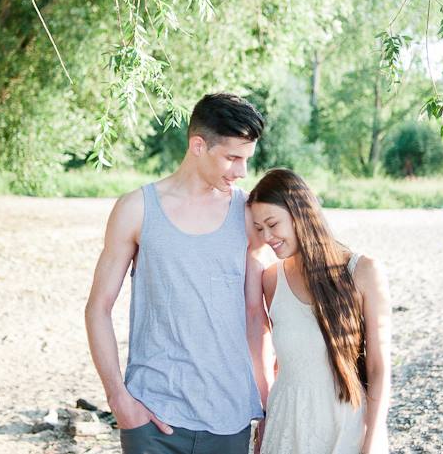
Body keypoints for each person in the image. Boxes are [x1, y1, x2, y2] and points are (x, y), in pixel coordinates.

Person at [85, 93, 270, 454]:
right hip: (152, 417)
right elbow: (98, 308)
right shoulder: (136, 209)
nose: (242, 171)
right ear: (198, 145)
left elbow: (254, 317)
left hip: (228, 418)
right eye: (232, 158)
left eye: (247, 159)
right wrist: (119, 400)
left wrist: (264, 404)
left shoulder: (248, 215)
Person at [247, 168, 391, 454]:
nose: (267, 237)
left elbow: (378, 368)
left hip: (345, 423)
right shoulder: (271, 280)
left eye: (273, 224)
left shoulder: (363, 271)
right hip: (287, 424)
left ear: (300, 213)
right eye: (259, 228)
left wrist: (372, 441)